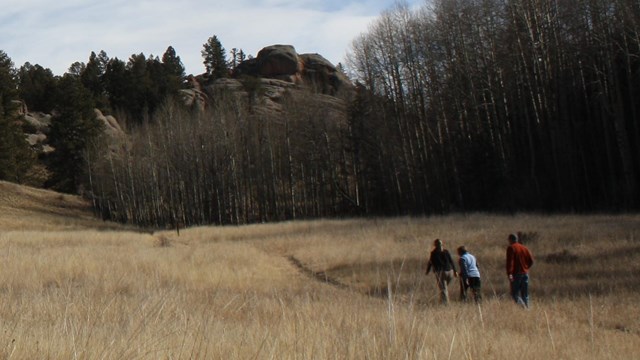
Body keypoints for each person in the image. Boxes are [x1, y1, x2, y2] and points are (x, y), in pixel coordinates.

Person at [506, 233, 534, 308]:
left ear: (510, 240)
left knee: (514, 294)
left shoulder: (511, 248)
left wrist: (510, 273)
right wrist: (526, 268)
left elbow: (510, 262)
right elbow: (531, 260)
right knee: (525, 294)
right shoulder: (524, 248)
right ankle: (528, 310)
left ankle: (524, 308)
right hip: (525, 274)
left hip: (516, 274)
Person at [425, 239, 458, 304]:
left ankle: (445, 303)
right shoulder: (446, 251)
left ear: (435, 245)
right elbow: (451, 261)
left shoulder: (433, 253)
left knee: (443, 288)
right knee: (444, 287)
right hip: (450, 272)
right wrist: (455, 271)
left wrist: (427, 271)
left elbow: (430, 262)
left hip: (441, 272)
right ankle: (443, 300)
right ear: (442, 244)